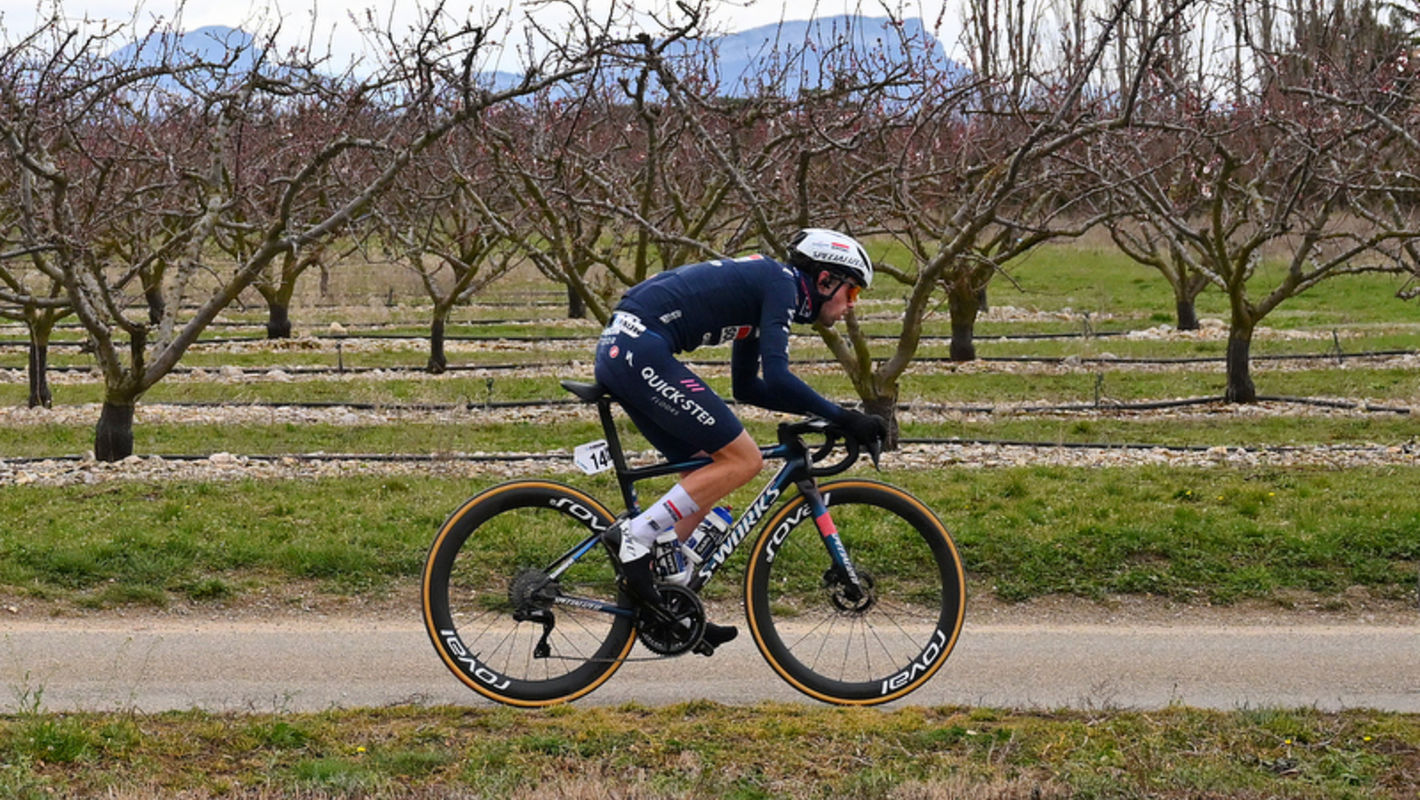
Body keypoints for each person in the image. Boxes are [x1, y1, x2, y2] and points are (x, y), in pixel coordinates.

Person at [593, 228, 888, 649]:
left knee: (708, 472)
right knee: (744, 460)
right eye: (852, 291)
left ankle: (670, 604)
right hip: (639, 347)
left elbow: (748, 386)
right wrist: (844, 416)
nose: (851, 306)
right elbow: (780, 376)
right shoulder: (780, 284)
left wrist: (827, 418)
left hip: (627, 346)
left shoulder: (765, 287)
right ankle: (636, 536)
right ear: (825, 281)